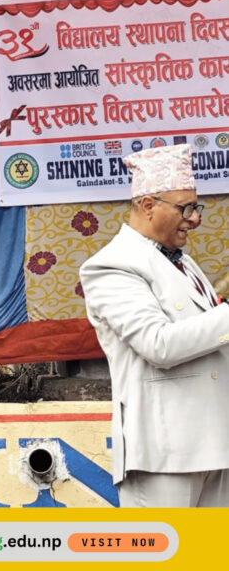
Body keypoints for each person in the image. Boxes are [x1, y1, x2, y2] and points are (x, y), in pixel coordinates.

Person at [80, 143, 229, 507]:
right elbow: (158, 345)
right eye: (185, 208)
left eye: (196, 208)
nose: (194, 219)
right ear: (148, 205)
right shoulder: (112, 265)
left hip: (216, 443)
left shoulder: (184, 262)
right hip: (164, 452)